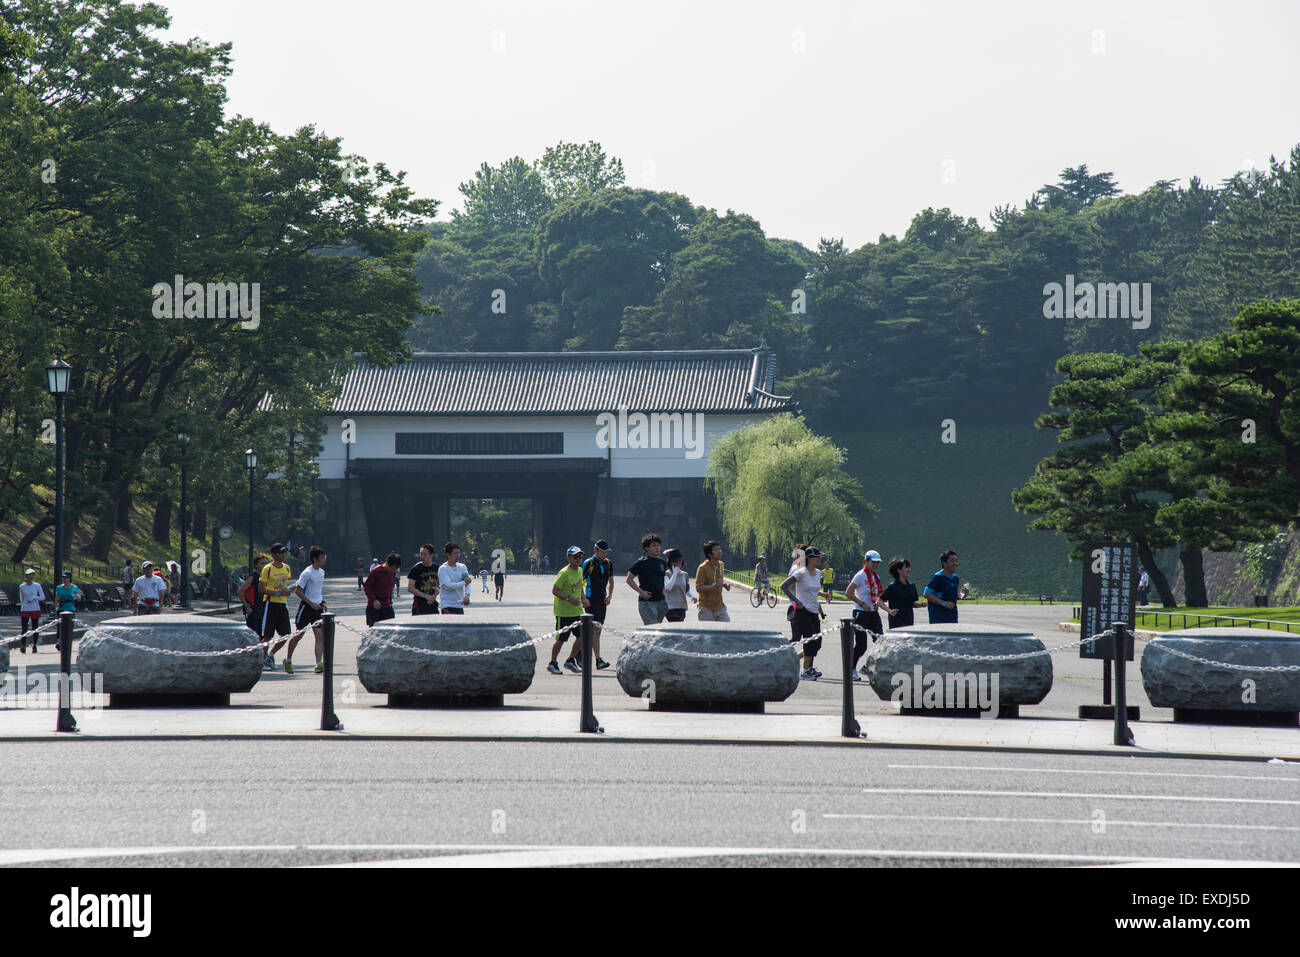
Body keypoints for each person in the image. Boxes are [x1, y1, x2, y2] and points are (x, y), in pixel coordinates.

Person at [274, 545, 327, 674]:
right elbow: (298, 591)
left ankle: (318, 663)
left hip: (318, 608)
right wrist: (310, 603)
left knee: (319, 636)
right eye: (322, 557)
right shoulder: (307, 572)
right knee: (299, 635)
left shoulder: (321, 572)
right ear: (315, 559)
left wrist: (322, 603)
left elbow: (317, 590)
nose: (324, 559)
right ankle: (288, 659)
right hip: (306, 608)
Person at [780, 546, 826, 680]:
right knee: (809, 639)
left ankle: (805, 665)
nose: (820, 559)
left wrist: (819, 606)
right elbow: (784, 586)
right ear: (810, 558)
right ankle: (806, 670)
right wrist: (796, 601)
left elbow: (813, 592)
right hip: (802, 611)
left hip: (813, 610)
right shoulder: (801, 572)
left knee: (818, 641)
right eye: (818, 557)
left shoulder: (818, 573)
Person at [844, 550, 886, 681]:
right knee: (861, 645)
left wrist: (877, 603)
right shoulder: (860, 575)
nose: (875, 565)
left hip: (873, 613)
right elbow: (848, 592)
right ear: (866, 561)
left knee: (880, 640)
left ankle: (868, 665)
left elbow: (878, 592)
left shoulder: (876, 576)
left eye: (877, 563)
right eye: (873, 562)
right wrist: (862, 603)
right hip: (860, 613)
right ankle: (850, 669)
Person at [548, 546, 586, 674]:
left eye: (580, 556)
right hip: (563, 613)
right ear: (568, 558)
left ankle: (570, 660)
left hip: (577, 611)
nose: (578, 559)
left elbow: (580, 586)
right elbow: (555, 590)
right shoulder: (564, 573)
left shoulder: (580, 570)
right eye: (575, 557)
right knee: (561, 639)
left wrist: (583, 598)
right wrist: (569, 598)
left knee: (583, 636)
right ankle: (552, 663)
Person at [257, 543, 295, 666]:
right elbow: (261, 589)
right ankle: (261, 661)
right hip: (270, 603)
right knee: (267, 636)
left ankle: (270, 655)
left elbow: (284, 584)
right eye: (280, 553)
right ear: (273, 555)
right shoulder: (267, 569)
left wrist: (286, 592)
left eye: (284, 552)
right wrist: (278, 593)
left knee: (286, 634)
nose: (283, 555)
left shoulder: (286, 568)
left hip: (282, 604)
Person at [580, 540, 614, 669]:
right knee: (593, 629)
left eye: (606, 551)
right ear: (595, 550)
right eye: (602, 551)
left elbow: (611, 581)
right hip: (590, 598)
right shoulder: (588, 563)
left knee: (597, 630)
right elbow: (579, 581)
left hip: (602, 599)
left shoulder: (608, 563)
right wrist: (583, 598)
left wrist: (610, 595)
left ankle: (583, 654)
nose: (604, 554)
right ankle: (597, 659)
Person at [626, 533, 669, 624]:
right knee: (652, 628)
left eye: (658, 545)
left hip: (661, 601)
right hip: (646, 602)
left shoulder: (662, 562)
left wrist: (664, 592)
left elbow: (665, 579)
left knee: (658, 629)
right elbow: (629, 579)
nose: (657, 548)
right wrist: (641, 592)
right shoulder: (641, 562)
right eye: (654, 546)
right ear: (646, 548)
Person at [923, 549, 969, 624]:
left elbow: (955, 597)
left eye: (956, 561)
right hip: (938, 619)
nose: (955, 563)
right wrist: (944, 603)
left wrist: (964, 594)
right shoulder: (937, 577)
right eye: (952, 561)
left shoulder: (955, 578)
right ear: (944, 563)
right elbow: (926, 594)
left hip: (952, 618)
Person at [240, 553, 270, 661]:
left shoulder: (265, 577)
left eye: (266, 563)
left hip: (263, 610)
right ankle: (253, 659)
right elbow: (240, 591)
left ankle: (263, 659)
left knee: (265, 635)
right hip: (254, 611)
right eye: (262, 563)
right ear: (256, 565)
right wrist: (247, 606)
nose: (265, 565)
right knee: (255, 637)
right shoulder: (253, 577)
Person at [880, 557, 923, 631]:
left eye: (909, 567)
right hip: (896, 623)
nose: (909, 569)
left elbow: (911, 603)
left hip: (909, 623)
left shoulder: (912, 585)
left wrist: (920, 605)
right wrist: (890, 611)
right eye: (906, 567)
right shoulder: (893, 586)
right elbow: (879, 601)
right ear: (899, 570)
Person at [695, 540, 732, 622]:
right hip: (706, 607)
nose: (719, 551)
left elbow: (718, 580)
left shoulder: (721, 564)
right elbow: (698, 588)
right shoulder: (702, 568)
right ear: (709, 554)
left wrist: (724, 585)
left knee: (726, 630)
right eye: (716, 550)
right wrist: (714, 586)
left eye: (720, 549)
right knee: (708, 633)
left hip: (720, 606)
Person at [364, 553, 401, 626]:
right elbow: (367, 586)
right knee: (374, 632)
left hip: (387, 606)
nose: (394, 571)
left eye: (395, 569)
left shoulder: (392, 573)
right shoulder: (375, 572)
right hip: (374, 605)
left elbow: (389, 588)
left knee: (391, 629)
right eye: (393, 568)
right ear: (387, 563)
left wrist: (390, 601)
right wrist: (373, 600)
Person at [437, 542, 471, 615]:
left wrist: (467, 596)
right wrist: (464, 582)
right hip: (447, 606)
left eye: (459, 553)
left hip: (459, 606)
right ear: (448, 554)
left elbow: (468, 584)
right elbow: (448, 587)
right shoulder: (443, 569)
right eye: (455, 553)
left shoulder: (462, 567)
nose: (458, 555)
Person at [407, 544, 440, 615]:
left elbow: (439, 586)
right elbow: (410, 588)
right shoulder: (416, 568)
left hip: (432, 604)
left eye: (425, 554)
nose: (422, 557)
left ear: (432, 555)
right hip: (419, 605)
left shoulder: (436, 568)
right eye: (421, 554)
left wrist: (434, 596)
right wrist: (426, 596)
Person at [18, 568, 46, 653]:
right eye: (29, 575)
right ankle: (23, 645)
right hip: (26, 608)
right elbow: (21, 598)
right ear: (26, 576)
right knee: (24, 627)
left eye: (32, 575)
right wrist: (24, 604)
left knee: (35, 627)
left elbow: (42, 597)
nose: (31, 576)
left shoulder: (37, 585)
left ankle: (34, 645)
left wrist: (34, 597)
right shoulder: (22, 586)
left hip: (35, 608)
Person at [663, 548, 695, 621]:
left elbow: (686, 590)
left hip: (682, 605)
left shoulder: (685, 575)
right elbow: (668, 587)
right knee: (675, 624)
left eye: (679, 561)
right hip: (670, 606)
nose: (678, 563)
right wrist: (674, 574)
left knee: (680, 626)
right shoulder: (667, 573)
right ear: (671, 562)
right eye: (675, 561)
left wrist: (692, 596)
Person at [53, 570, 81, 652]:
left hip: (70, 608)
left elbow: (79, 598)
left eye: (66, 578)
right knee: (59, 626)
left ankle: (67, 642)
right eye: (63, 578)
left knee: (69, 627)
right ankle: (59, 641)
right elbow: (57, 598)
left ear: (70, 579)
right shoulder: (59, 587)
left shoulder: (74, 587)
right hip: (61, 608)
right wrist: (55, 608)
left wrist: (76, 594)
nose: (64, 579)